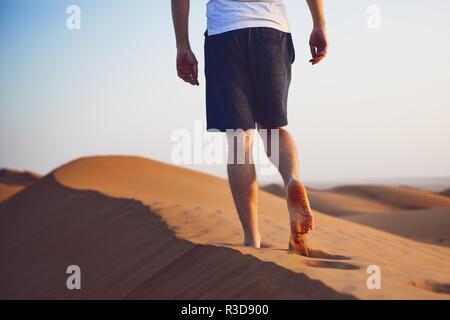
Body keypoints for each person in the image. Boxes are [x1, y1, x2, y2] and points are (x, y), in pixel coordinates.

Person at [171, 0, 328, 254]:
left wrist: (182, 45)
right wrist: (319, 24)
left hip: (225, 33)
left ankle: (251, 239)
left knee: (238, 140)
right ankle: (292, 179)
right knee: (273, 128)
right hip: (271, 30)